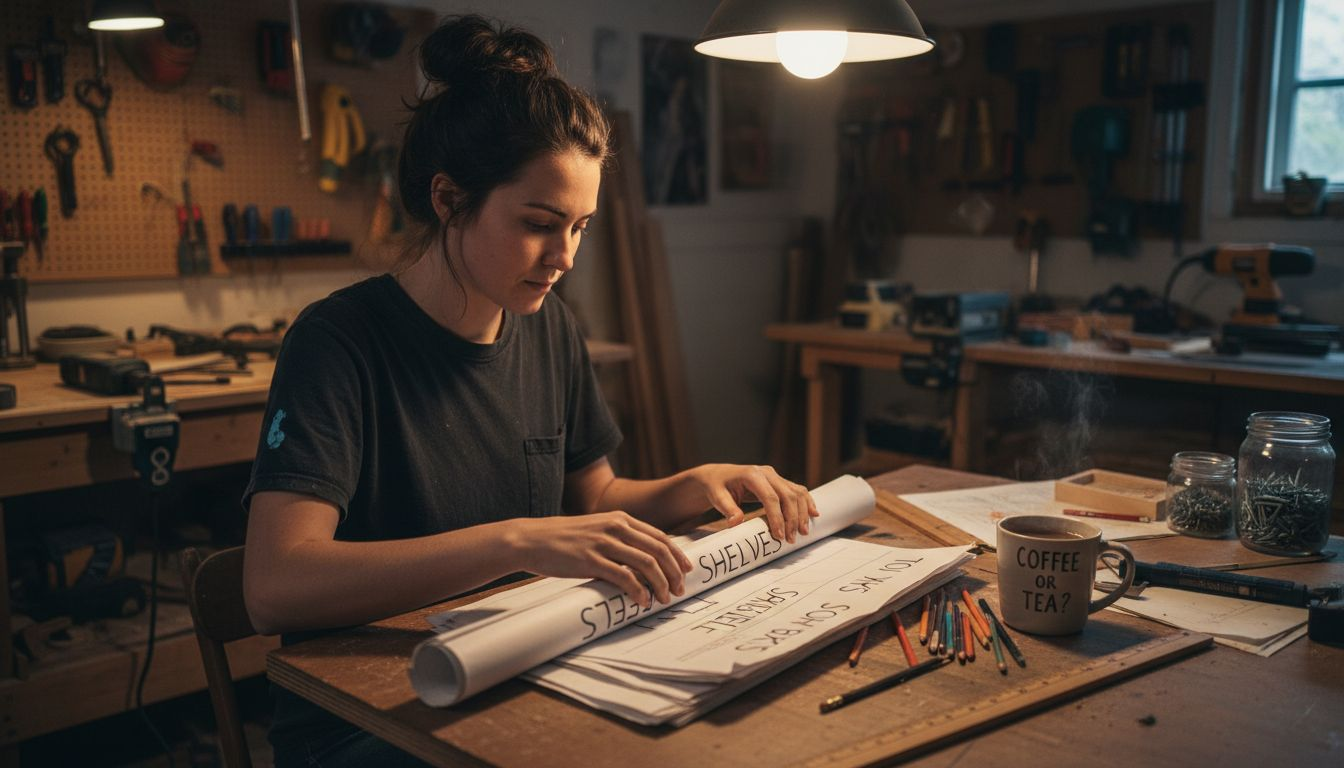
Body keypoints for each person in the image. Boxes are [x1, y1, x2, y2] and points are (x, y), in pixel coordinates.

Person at [242, 14, 817, 767]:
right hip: (370, 715)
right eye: (541, 224)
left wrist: (696, 484)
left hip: (522, 670)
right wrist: (517, 540)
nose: (565, 256)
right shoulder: (340, 343)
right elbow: (276, 585)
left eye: (580, 227)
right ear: (448, 199)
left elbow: (595, 501)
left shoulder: (550, 329)